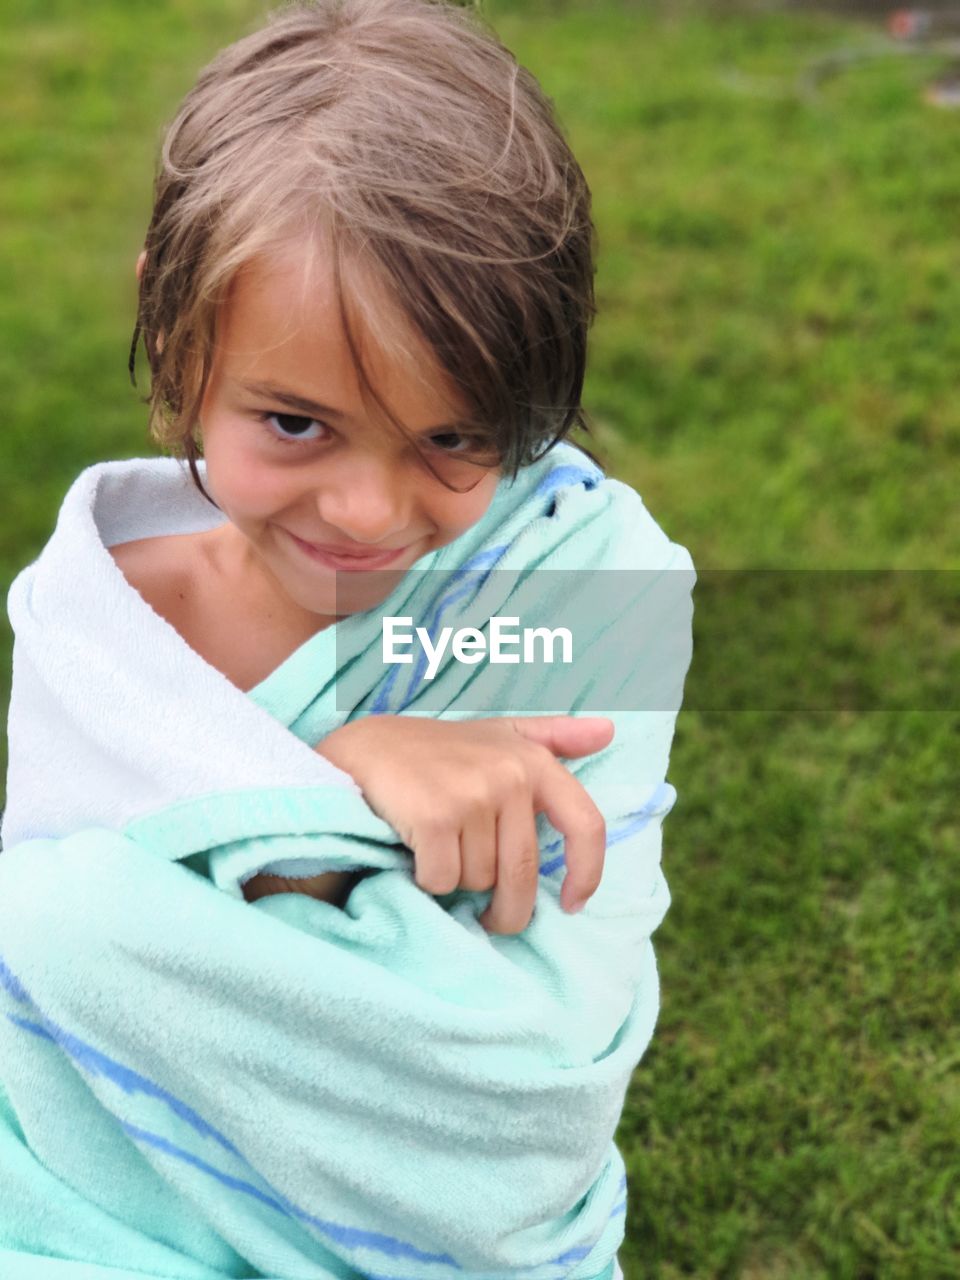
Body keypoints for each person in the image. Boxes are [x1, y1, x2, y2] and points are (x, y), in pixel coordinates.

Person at [0, 2, 694, 1276]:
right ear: (179, 329)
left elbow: (535, 1059)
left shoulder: (592, 584)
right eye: (296, 424)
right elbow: (50, 1010)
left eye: (454, 437)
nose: (371, 513)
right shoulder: (91, 620)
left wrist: (170, 885)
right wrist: (345, 790)